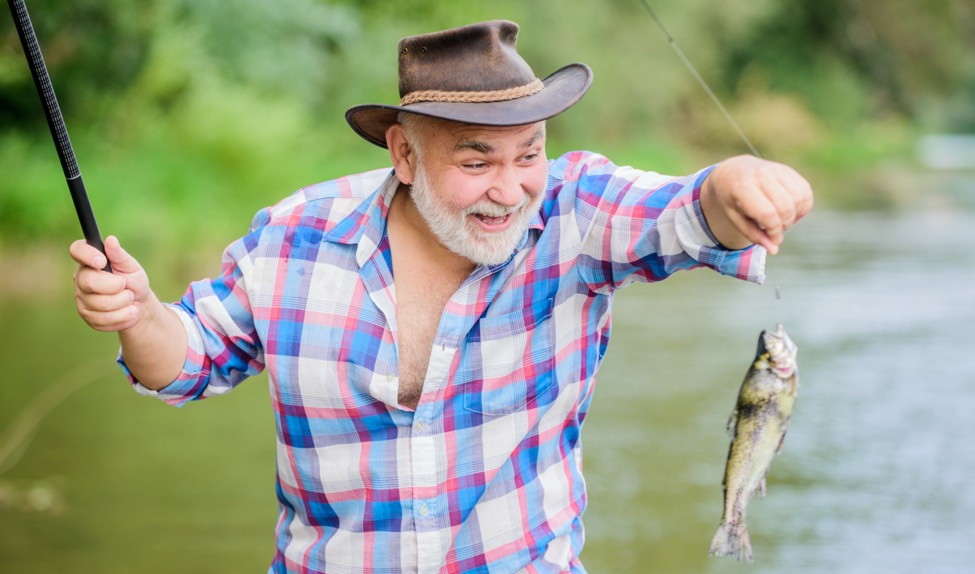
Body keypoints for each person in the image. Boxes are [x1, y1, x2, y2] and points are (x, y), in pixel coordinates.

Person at [70, 20, 812, 574]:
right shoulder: (293, 238)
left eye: (529, 153)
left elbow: (685, 214)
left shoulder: (574, 213)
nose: (511, 187)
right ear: (402, 153)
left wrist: (732, 183)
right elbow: (187, 359)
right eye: (475, 159)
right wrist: (138, 316)